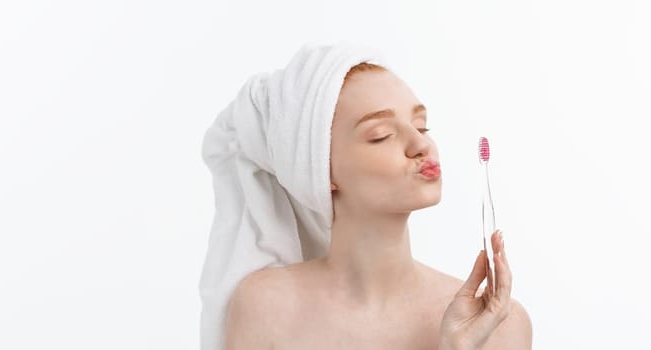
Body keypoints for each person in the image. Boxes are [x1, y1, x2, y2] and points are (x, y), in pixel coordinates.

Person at [201, 44, 532, 349]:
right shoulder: (266, 308)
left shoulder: (497, 324)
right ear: (321, 169)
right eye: (381, 135)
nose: (421, 144)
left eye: (422, 126)